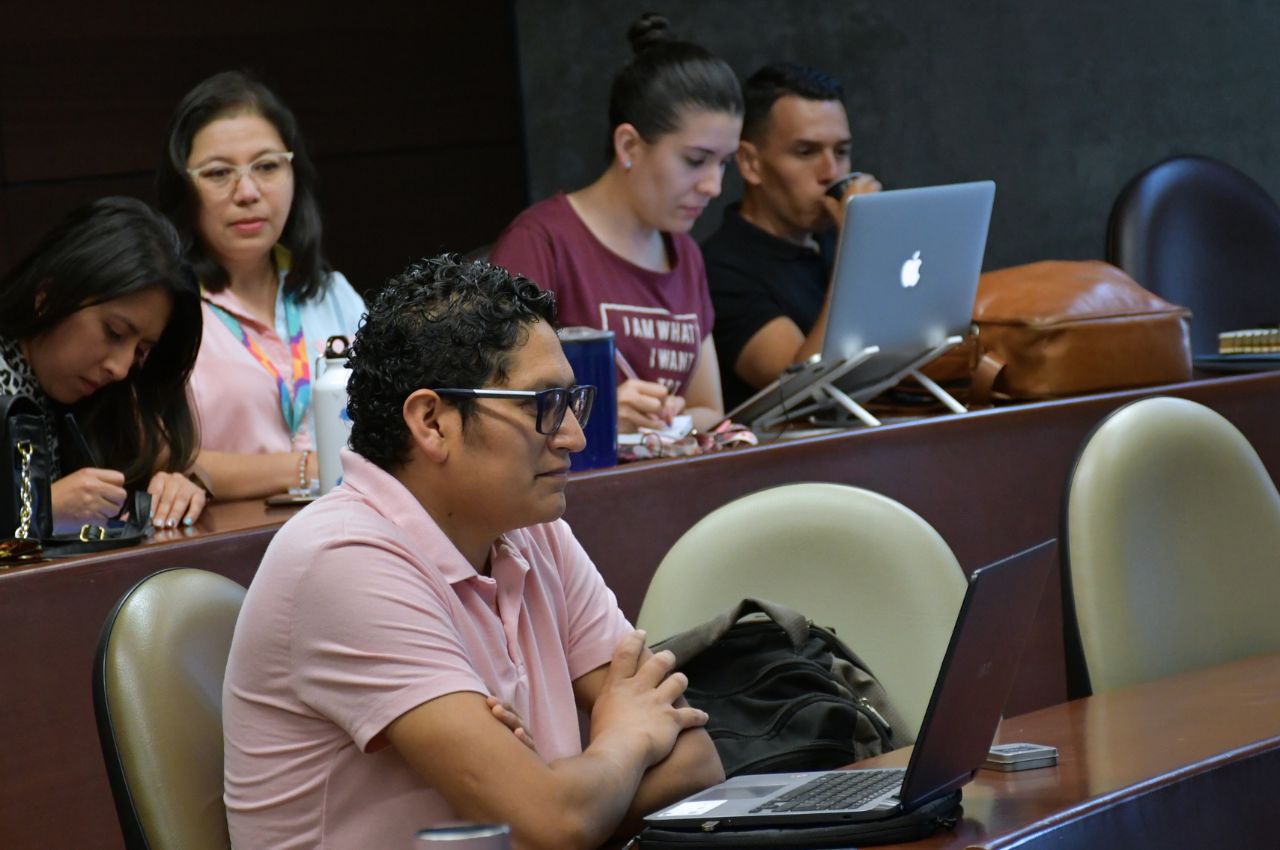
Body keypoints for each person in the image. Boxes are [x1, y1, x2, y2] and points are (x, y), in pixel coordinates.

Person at [222, 256, 724, 850]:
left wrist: (566, 792)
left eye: (571, 402)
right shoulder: (343, 559)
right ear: (432, 421)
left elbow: (695, 761)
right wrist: (622, 743)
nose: (573, 437)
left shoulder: (531, 527)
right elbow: (553, 823)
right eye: (542, 406)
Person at [490, 14, 741, 433]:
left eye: (724, 163)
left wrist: (665, 422)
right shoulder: (541, 241)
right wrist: (599, 413)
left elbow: (708, 409)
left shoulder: (685, 254)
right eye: (695, 161)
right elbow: (499, 406)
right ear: (628, 145)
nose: (714, 185)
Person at [157, 70, 365, 500]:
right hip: (228, 544)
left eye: (267, 166)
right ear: (183, 188)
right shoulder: (163, 309)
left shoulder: (333, 293)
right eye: (218, 173)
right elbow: (160, 455)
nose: (247, 191)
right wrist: (313, 466)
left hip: (353, 527)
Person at [0, 197, 207, 529]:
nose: (122, 368)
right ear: (47, 296)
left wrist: (177, 489)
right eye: (115, 332)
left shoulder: (101, 401)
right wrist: (41, 507)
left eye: (141, 351)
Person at [702, 62, 882, 410]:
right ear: (751, 163)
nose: (831, 173)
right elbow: (804, 386)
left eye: (841, 152)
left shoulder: (833, 237)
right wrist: (859, 247)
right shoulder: (718, 269)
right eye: (806, 152)